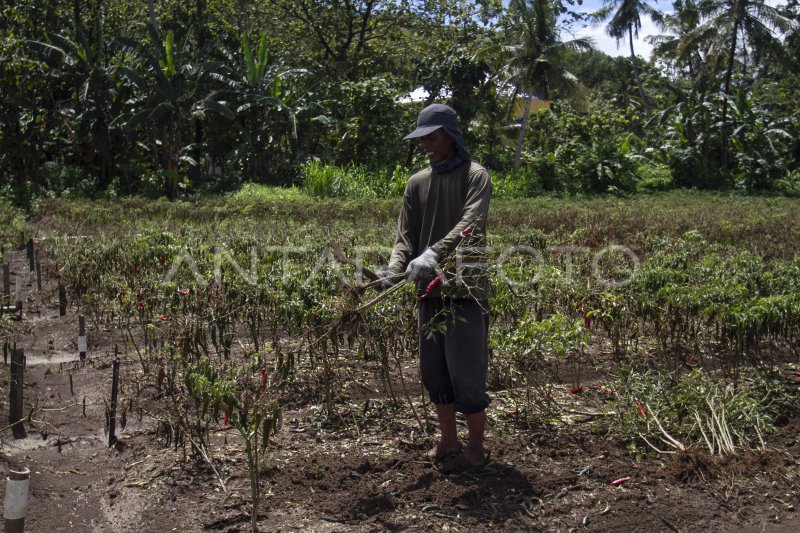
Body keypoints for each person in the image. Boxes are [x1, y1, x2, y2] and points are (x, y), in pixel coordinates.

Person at [377, 103, 492, 467]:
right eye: (421, 138)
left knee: (467, 374)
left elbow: (470, 224)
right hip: (429, 292)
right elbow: (404, 236)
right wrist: (395, 269)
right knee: (434, 371)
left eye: (432, 136)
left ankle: (476, 449)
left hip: (464, 290)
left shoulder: (476, 176)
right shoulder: (417, 183)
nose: (426, 143)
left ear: (450, 135)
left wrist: (433, 255)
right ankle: (448, 441)